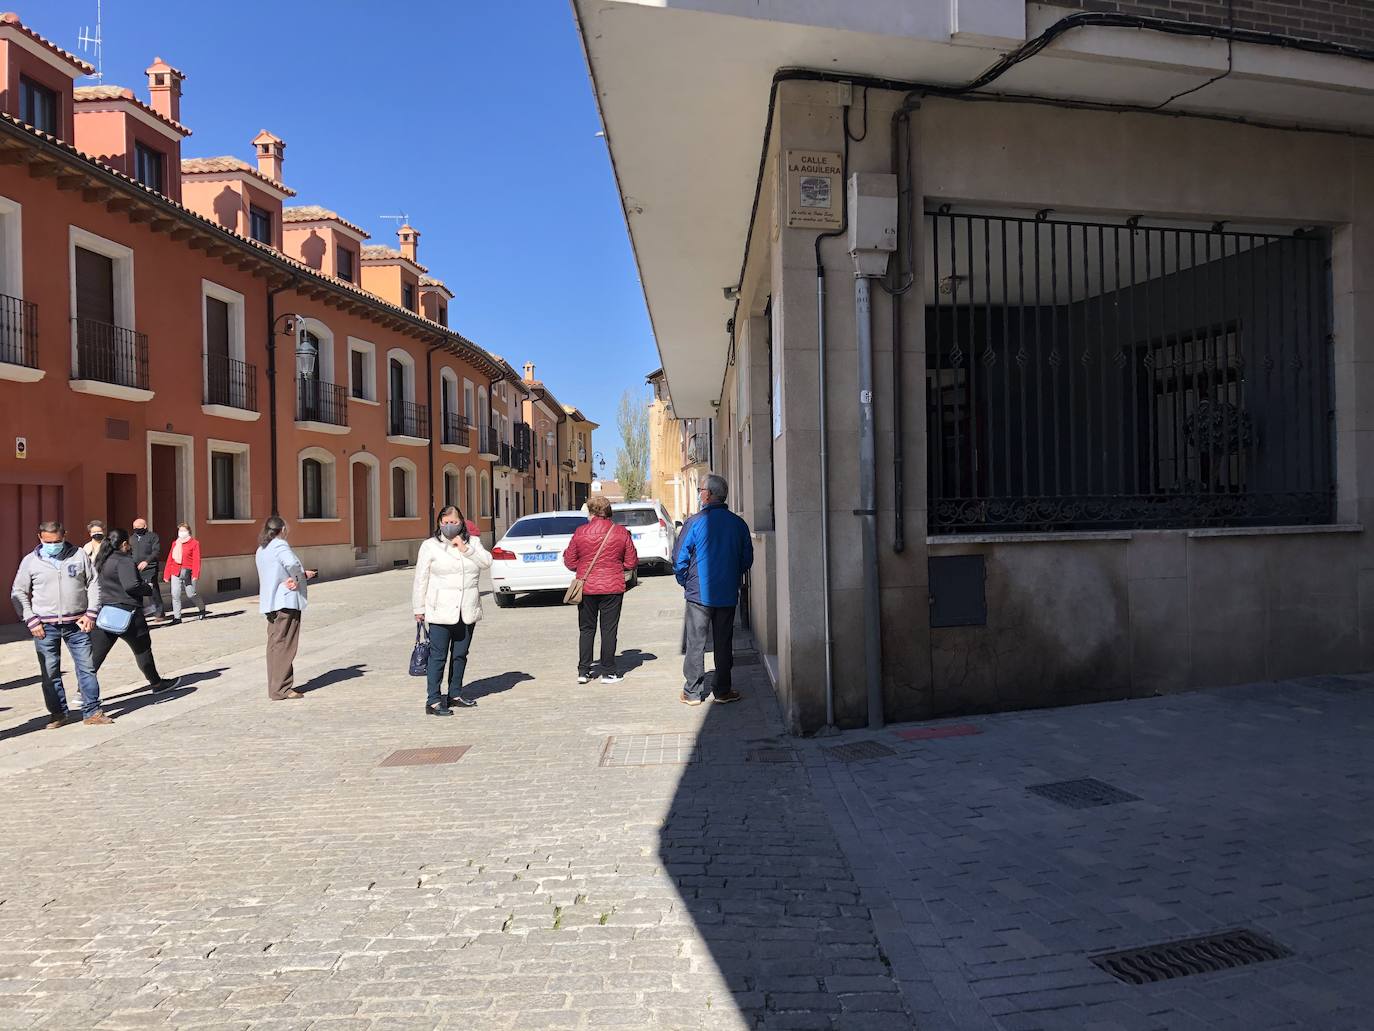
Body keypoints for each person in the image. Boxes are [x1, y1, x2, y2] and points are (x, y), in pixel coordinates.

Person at [10, 520, 106, 727]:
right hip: (44, 626)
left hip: (78, 623)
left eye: (56, 541)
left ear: (64, 536)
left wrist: (91, 613)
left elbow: (93, 583)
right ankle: (58, 713)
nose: (52, 545)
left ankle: (92, 712)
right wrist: (30, 619)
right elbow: (18, 591)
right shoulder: (30, 561)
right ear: (40, 538)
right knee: (50, 672)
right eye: (48, 541)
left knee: (87, 668)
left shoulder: (79, 555)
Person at [675, 473, 753, 706]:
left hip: (699, 593)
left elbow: (679, 558)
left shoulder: (695, 522)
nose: (699, 494)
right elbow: (746, 559)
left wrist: (685, 581)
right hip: (727, 592)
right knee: (723, 642)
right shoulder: (738, 524)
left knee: (696, 643)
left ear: (708, 495)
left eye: (700, 490)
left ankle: (692, 692)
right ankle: (722, 690)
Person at [412, 506, 492, 716]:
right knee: (438, 657)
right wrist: (419, 608)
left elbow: (486, 562)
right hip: (440, 609)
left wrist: (465, 548)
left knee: (460, 654)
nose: (449, 526)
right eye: (445, 522)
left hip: (466, 608)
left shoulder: (472, 543)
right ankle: (434, 700)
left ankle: (455, 694)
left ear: (461, 522)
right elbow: (421, 578)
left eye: (453, 522)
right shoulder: (430, 546)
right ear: (439, 523)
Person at [89, 529, 181, 693]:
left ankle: (82, 691)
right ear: (124, 543)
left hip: (107, 611)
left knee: (96, 655)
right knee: (142, 650)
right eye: (129, 543)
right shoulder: (123, 560)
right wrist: (147, 588)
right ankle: (156, 683)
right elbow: (131, 585)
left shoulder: (102, 559)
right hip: (128, 613)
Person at [563, 495, 637, 684]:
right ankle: (608, 672)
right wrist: (615, 566)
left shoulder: (580, 532)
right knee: (609, 629)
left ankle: (583, 671)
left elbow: (570, 561)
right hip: (612, 588)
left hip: (586, 587)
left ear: (592, 512)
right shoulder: (620, 532)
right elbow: (631, 562)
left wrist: (583, 567)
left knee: (586, 629)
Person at [255, 516, 316, 701]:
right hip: (285, 600)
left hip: (270, 601)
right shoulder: (280, 545)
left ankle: (275, 685)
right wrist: (299, 578)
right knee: (286, 644)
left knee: (274, 644)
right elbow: (292, 564)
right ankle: (282, 688)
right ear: (281, 529)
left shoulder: (261, 549)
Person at [163, 521, 208, 624]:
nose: (181, 532)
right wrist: (166, 574)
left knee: (191, 594)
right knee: (175, 594)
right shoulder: (175, 543)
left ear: (188, 531)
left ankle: (202, 608)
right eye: (180, 530)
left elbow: (196, 560)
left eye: (184, 530)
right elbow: (170, 559)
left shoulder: (194, 543)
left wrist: (196, 574)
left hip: (188, 572)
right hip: (175, 571)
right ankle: (177, 617)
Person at [131, 517, 166, 621]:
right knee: (137, 591)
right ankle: (139, 613)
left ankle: (159, 613)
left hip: (150, 568)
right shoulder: (131, 538)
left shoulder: (152, 536)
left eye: (139, 527)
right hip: (135, 569)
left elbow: (156, 551)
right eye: (135, 527)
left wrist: (147, 561)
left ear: (145, 526)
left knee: (152, 591)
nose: (137, 529)